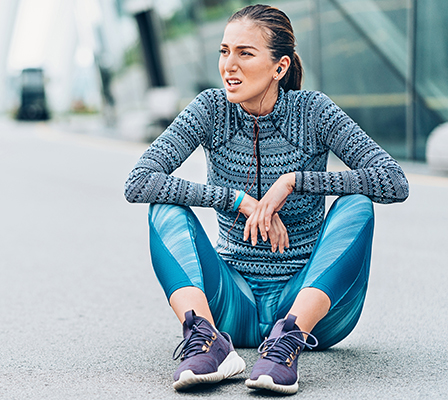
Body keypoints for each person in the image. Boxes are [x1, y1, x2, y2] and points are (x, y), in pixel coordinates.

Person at [124, 4, 409, 395]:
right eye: (224, 51)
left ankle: (287, 341)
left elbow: (393, 181)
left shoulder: (313, 112)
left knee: (357, 203)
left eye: (245, 53)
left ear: (279, 67)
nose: (229, 65)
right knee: (164, 207)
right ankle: (207, 339)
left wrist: (295, 181)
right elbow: (139, 182)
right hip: (232, 304)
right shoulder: (210, 109)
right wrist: (235, 199)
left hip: (310, 305)